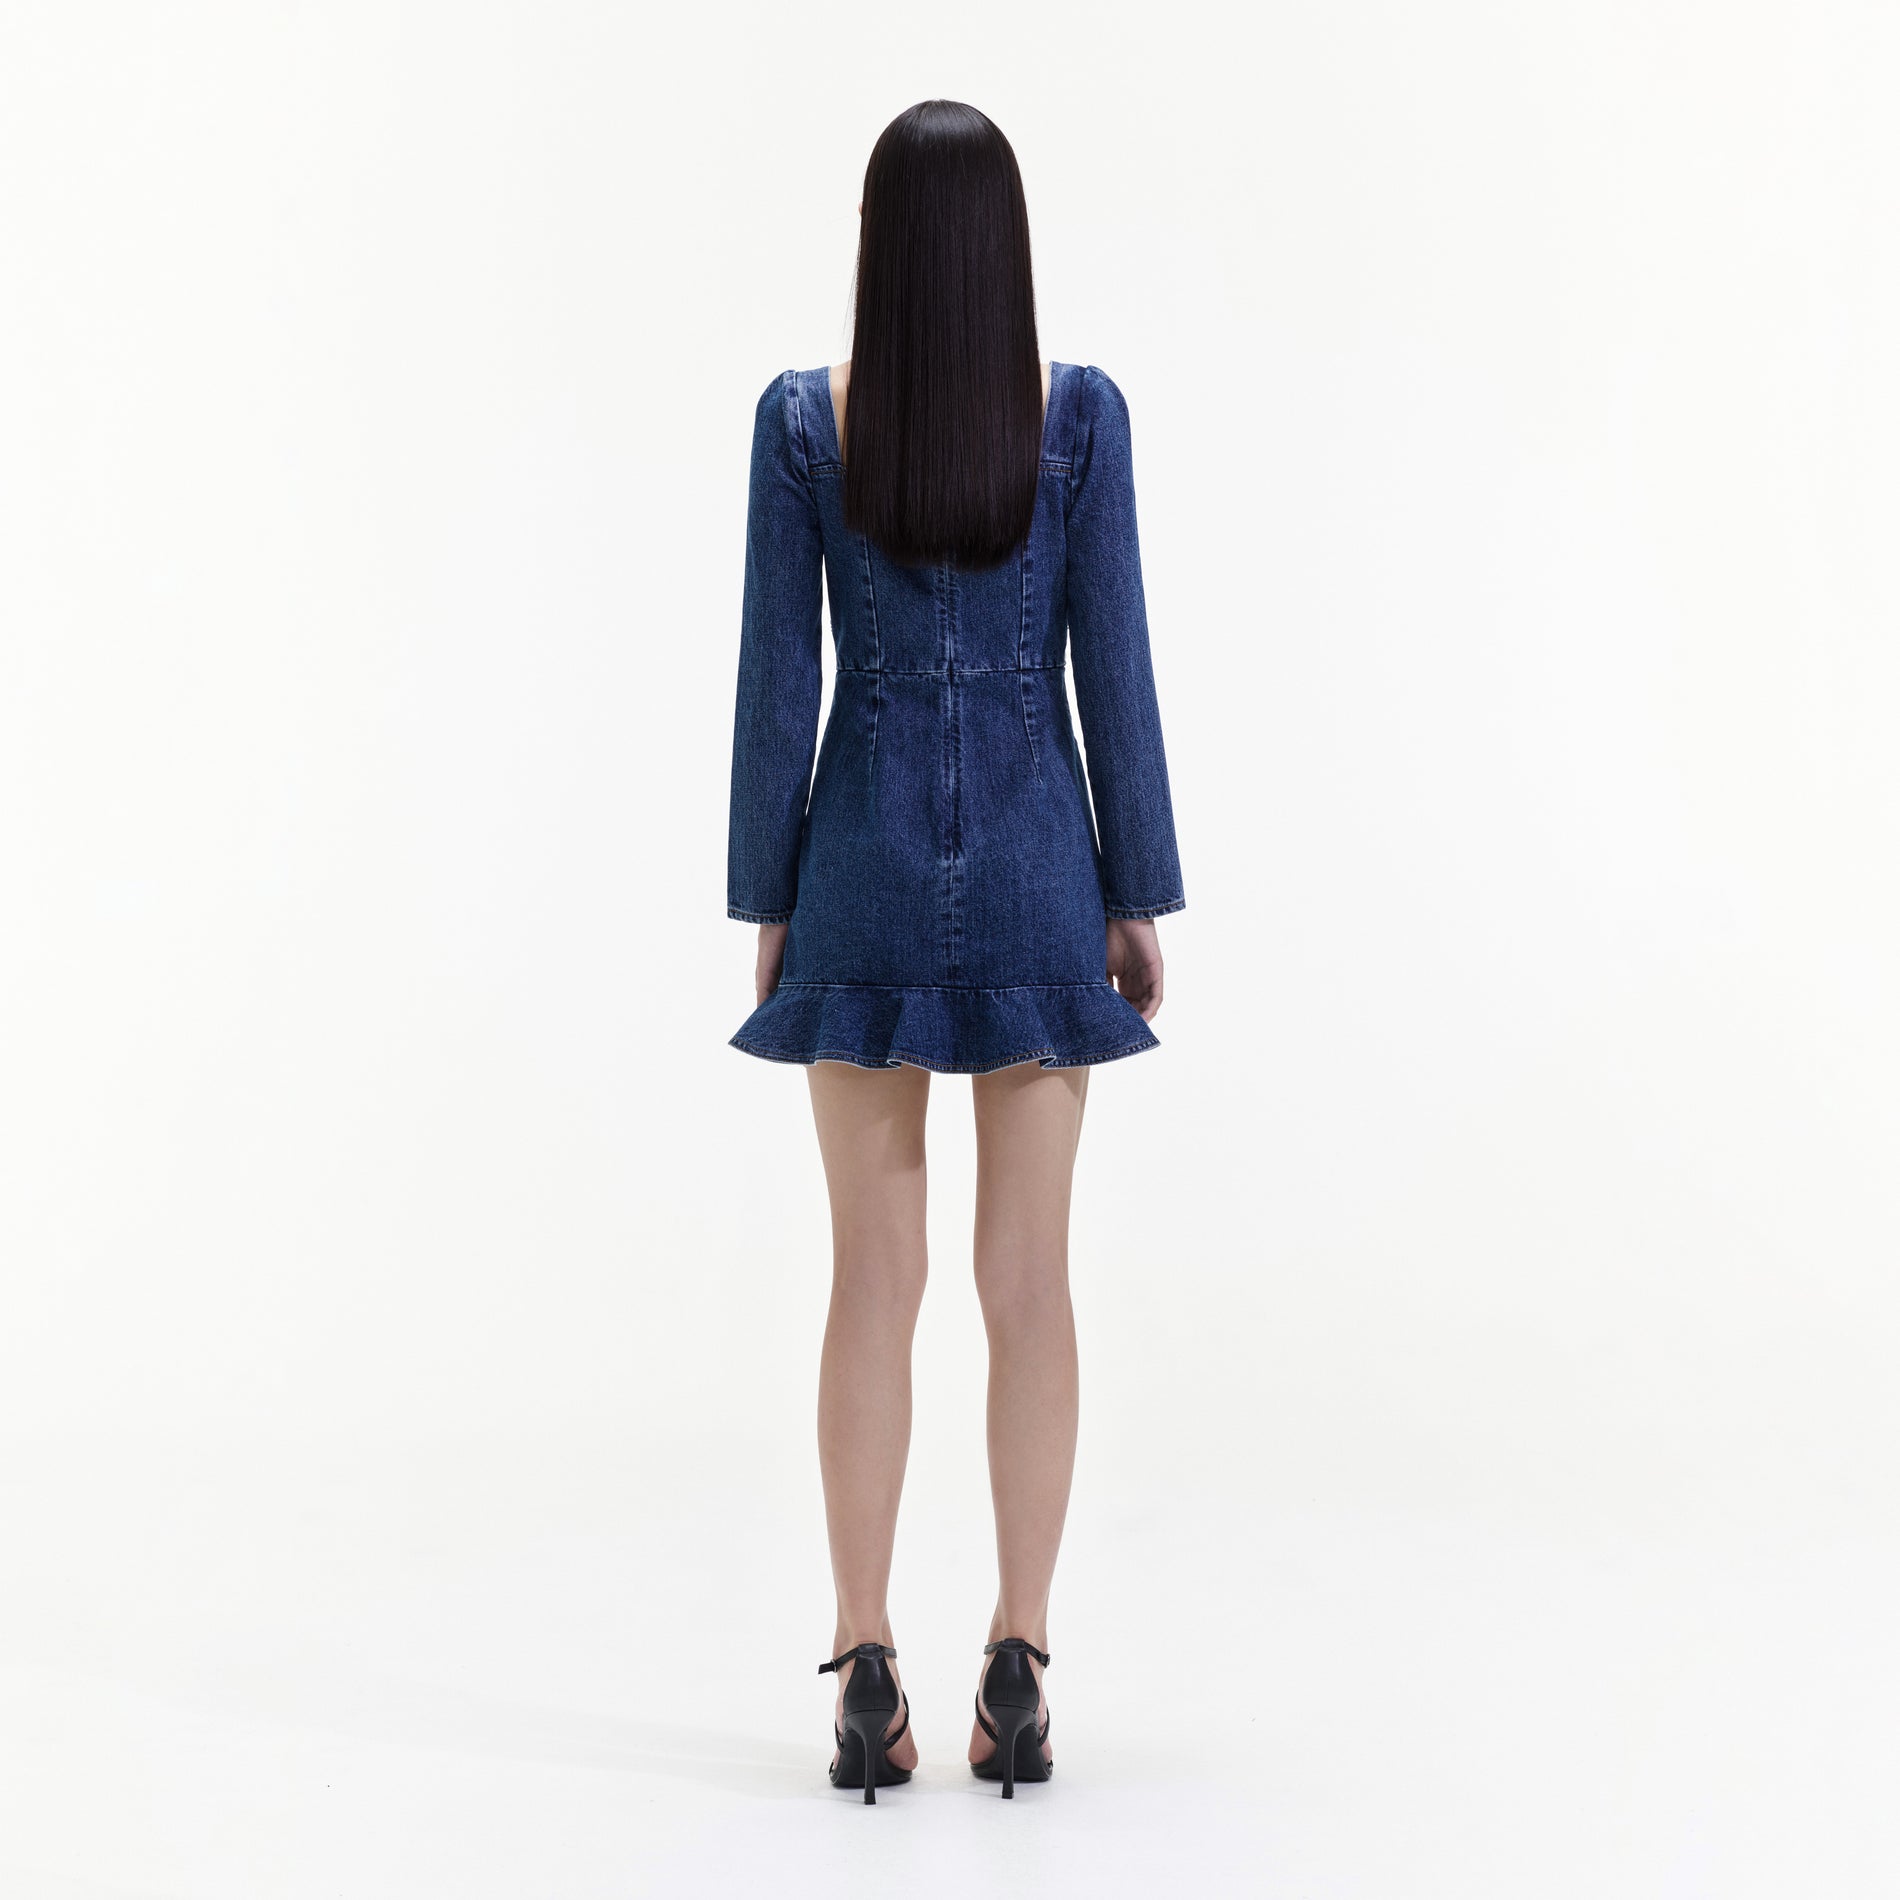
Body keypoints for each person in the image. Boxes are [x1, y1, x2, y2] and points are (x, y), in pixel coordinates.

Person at [725, 99, 1184, 1802]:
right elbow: (1112, 670)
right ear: (1006, 251)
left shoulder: (804, 424)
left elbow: (780, 686)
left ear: (878, 248)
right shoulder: (1079, 422)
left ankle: (864, 1658)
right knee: (1027, 1283)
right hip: (1041, 873)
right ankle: (1020, 1657)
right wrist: (1135, 892)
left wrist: (769, 904)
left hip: (854, 871)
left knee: (875, 1279)